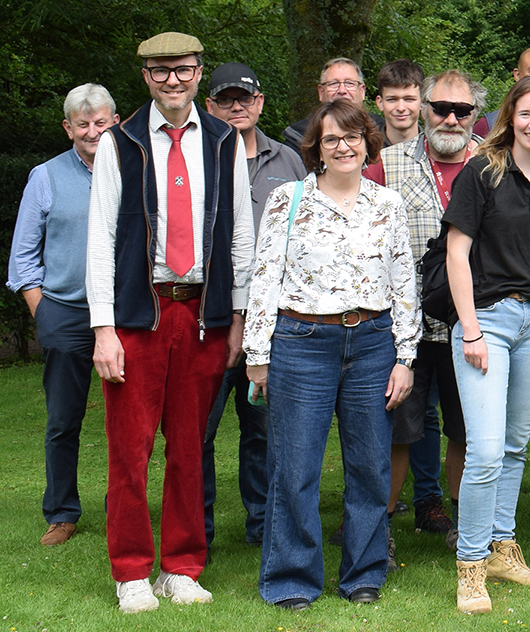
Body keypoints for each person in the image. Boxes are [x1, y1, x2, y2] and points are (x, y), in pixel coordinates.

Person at [86, 32, 252, 613]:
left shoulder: (225, 140)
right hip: (139, 313)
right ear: (146, 77)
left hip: (202, 313)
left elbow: (239, 233)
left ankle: (181, 568)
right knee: (129, 450)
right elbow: (101, 239)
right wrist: (103, 328)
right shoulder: (120, 141)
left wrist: (239, 316)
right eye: (161, 72)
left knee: (190, 448)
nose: (173, 80)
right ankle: (131, 571)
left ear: (199, 73)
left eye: (182, 70)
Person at [245, 99, 418, 610]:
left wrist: (404, 356)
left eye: (352, 136)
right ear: (316, 148)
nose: (343, 146)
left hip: (371, 343)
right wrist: (258, 351)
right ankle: (292, 578)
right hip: (301, 344)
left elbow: (403, 282)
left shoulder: (387, 203)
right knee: (295, 467)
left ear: (368, 141)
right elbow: (264, 275)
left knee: (369, 466)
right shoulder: (288, 199)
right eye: (331, 139)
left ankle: (363, 573)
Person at [446, 74, 530, 613]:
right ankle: (470, 566)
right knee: (485, 449)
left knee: (517, 446)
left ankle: (503, 547)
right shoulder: (482, 171)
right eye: (525, 113)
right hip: (488, 322)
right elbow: (457, 254)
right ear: (509, 116)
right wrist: (471, 329)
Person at [363, 69, 492, 544]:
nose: (451, 119)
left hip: (472, 324)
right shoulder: (386, 163)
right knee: (396, 429)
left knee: (466, 428)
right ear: (423, 109)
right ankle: (379, 529)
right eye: (442, 108)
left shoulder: (495, 166)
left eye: (462, 111)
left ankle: (464, 529)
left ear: (475, 116)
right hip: (404, 325)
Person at [200, 62, 306, 550]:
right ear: (210, 106)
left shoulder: (290, 161)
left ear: (260, 103)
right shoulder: (196, 158)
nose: (236, 107)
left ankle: (263, 525)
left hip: (276, 320)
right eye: (225, 99)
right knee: (197, 429)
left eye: (245, 98)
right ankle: (196, 528)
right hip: (208, 315)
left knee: (263, 430)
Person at [8, 83, 118, 548]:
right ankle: (62, 512)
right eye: (83, 124)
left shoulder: (135, 170)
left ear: (115, 121)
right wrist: (44, 313)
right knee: (63, 420)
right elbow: (22, 259)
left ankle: (123, 508)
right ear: (68, 127)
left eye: (101, 122)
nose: (92, 131)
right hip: (67, 314)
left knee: (126, 421)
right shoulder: (46, 176)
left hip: (123, 316)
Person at [282, 57, 386, 150]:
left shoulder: (383, 132)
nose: (342, 90)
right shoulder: (299, 139)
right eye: (333, 84)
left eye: (349, 83)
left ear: (362, 91)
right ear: (321, 92)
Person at [374, 59, 424, 147]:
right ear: (380, 103)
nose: (401, 108)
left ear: (422, 102)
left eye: (409, 99)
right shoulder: (366, 151)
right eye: (392, 99)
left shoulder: (435, 151)